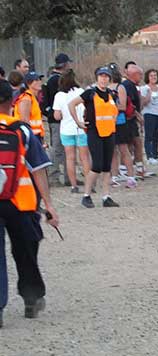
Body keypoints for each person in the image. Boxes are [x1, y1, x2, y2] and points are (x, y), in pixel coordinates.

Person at [0, 80, 59, 325]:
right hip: (21, 202)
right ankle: (31, 297)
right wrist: (49, 204)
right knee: (25, 250)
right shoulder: (22, 130)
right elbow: (38, 169)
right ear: (11, 101)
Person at [67, 67, 121, 208]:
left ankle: (106, 197)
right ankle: (86, 195)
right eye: (101, 76)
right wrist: (78, 122)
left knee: (107, 166)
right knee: (96, 166)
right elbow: (71, 104)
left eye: (106, 76)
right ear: (97, 78)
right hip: (94, 132)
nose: (104, 79)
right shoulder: (90, 93)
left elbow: (115, 112)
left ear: (109, 79)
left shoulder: (112, 94)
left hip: (109, 132)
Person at [51, 70, 89, 194]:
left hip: (66, 129)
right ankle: (89, 184)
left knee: (70, 158)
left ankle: (73, 186)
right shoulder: (81, 92)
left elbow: (57, 116)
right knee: (84, 158)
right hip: (81, 127)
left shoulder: (59, 95)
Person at [42, 53, 72, 187]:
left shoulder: (52, 79)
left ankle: (68, 176)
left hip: (57, 118)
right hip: (57, 120)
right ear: (64, 64)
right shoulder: (56, 80)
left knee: (65, 148)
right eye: (68, 63)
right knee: (58, 148)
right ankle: (54, 176)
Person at [115, 65, 142, 189]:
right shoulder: (126, 86)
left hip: (127, 119)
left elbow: (131, 104)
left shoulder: (127, 86)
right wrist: (137, 114)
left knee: (129, 145)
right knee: (128, 145)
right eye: (139, 74)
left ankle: (129, 171)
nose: (141, 77)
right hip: (126, 120)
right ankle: (124, 170)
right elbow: (129, 104)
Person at [140, 68, 158, 165]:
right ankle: (149, 156)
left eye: (155, 75)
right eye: (151, 76)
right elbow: (143, 103)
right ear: (148, 77)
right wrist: (149, 95)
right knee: (149, 135)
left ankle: (155, 155)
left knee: (156, 135)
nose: (153, 77)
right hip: (149, 113)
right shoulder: (144, 88)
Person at [13, 72, 46, 143]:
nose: (39, 82)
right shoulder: (26, 98)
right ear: (28, 83)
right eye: (36, 80)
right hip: (30, 136)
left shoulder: (32, 97)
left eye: (39, 79)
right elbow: (24, 121)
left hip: (35, 135)